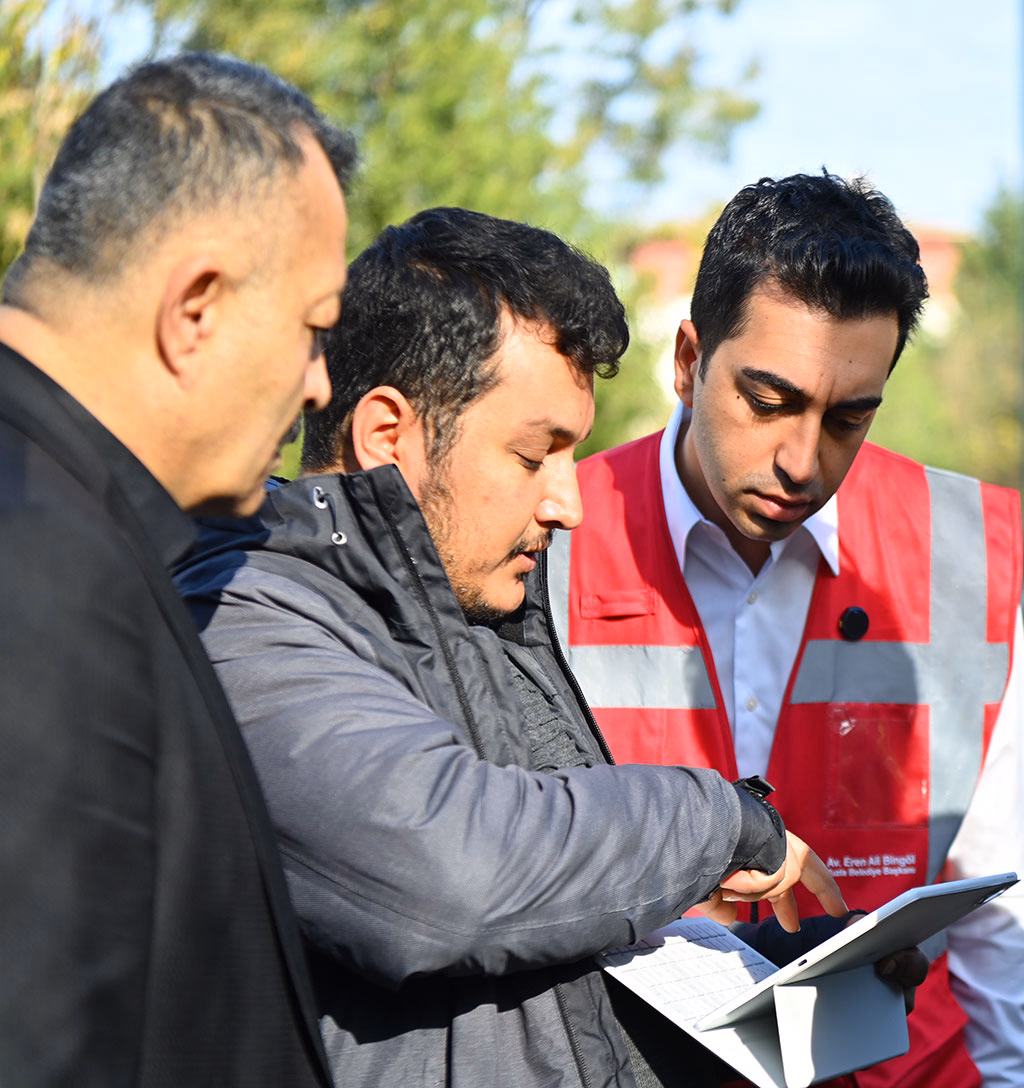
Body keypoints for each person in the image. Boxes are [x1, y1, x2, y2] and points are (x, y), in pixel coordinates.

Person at [173, 206, 865, 1088]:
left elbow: (548, 959)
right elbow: (449, 877)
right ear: (389, 438)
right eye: (535, 455)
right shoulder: (242, 619)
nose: (567, 504)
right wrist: (720, 820)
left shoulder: (486, 615)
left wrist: (771, 974)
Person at [551, 171, 1024, 1088]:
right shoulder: (550, 539)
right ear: (687, 360)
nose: (801, 459)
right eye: (769, 400)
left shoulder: (962, 556)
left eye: (848, 418)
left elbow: (998, 910)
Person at [0, 52, 353, 1087]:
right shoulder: (39, 566)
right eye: (314, 328)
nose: (319, 379)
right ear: (194, 309)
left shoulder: (66, 513)